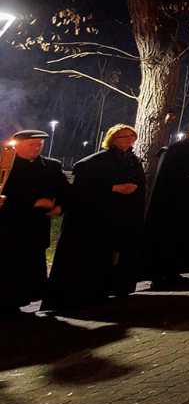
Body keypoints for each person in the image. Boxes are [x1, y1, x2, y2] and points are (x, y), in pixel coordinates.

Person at [46, 124, 147, 309]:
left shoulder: (134, 161)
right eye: (124, 137)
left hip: (123, 217)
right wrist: (113, 188)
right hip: (97, 218)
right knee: (94, 257)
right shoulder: (94, 162)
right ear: (113, 139)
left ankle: (112, 288)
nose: (129, 140)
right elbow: (82, 190)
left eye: (132, 137)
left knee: (116, 257)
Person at [0, 130, 68, 314]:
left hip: (36, 227)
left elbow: (65, 192)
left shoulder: (51, 166)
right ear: (18, 144)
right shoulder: (5, 164)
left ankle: (23, 301)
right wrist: (33, 202)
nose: (37, 148)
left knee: (29, 267)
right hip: (8, 226)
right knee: (8, 267)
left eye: (40, 144)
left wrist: (59, 207)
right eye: (32, 144)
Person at [144, 119, 189, 287]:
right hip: (173, 202)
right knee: (168, 238)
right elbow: (168, 176)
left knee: (182, 238)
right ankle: (161, 276)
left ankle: (174, 272)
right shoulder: (176, 149)